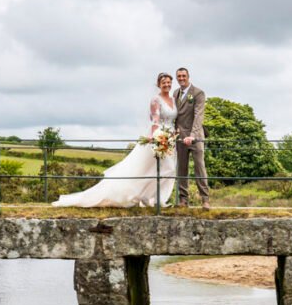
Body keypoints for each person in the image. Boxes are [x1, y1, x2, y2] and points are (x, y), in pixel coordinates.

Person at [51, 73, 177, 207]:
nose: (167, 85)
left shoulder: (173, 99)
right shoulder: (155, 100)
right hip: (159, 136)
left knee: (164, 169)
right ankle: (150, 197)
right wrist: (155, 137)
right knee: (161, 169)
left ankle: (151, 197)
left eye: (169, 82)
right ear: (159, 84)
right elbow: (154, 120)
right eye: (164, 83)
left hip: (171, 137)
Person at [173, 67, 210, 208]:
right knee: (181, 168)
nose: (181, 78)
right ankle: (183, 200)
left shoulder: (198, 93)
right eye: (179, 76)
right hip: (180, 137)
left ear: (188, 76)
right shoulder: (175, 93)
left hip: (196, 136)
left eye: (183, 76)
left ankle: (205, 200)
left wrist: (192, 136)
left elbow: (198, 116)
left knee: (199, 167)